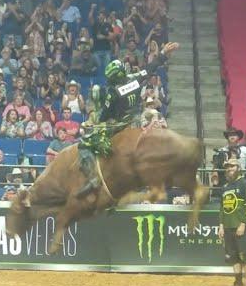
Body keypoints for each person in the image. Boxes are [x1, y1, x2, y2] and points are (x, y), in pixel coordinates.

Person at [75, 42, 179, 198]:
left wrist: (93, 120)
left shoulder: (113, 92)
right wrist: (163, 52)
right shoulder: (136, 80)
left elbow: (104, 116)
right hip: (136, 122)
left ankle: (93, 178)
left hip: (119, 126)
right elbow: (151, 68)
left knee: (84, 144)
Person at [218, 159, 246, 286]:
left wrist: (243, 224)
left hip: (241, 227)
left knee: (245, 256)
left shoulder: (245, 183)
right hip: (228, 227)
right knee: (233, 257)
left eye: (232, 166)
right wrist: (221, 226)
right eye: (227, 167)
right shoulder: (225, 187)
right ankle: (238, 283)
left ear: (238, 167)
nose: (229, 169)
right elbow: (222, 208)